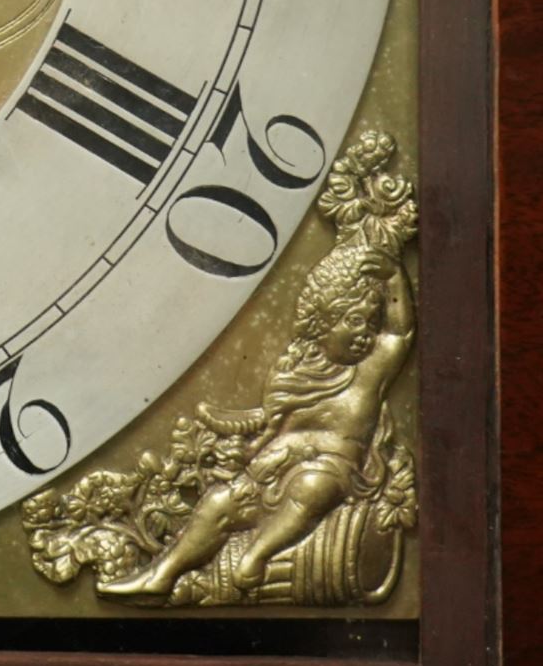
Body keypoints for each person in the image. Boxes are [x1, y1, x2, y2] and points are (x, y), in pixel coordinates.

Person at [101, 239, 415, 599]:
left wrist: (392, 278)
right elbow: (274, 428)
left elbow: (399, 334)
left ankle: (257, 554)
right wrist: (256, 454)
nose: (365, 334)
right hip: (280, 463)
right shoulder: (294, 376)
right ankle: (164, 571)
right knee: (220, 502)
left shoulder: (369, 373)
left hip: (338, 470)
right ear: (322, 325)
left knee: (311, 490)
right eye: (354, 321)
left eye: (371, 322)